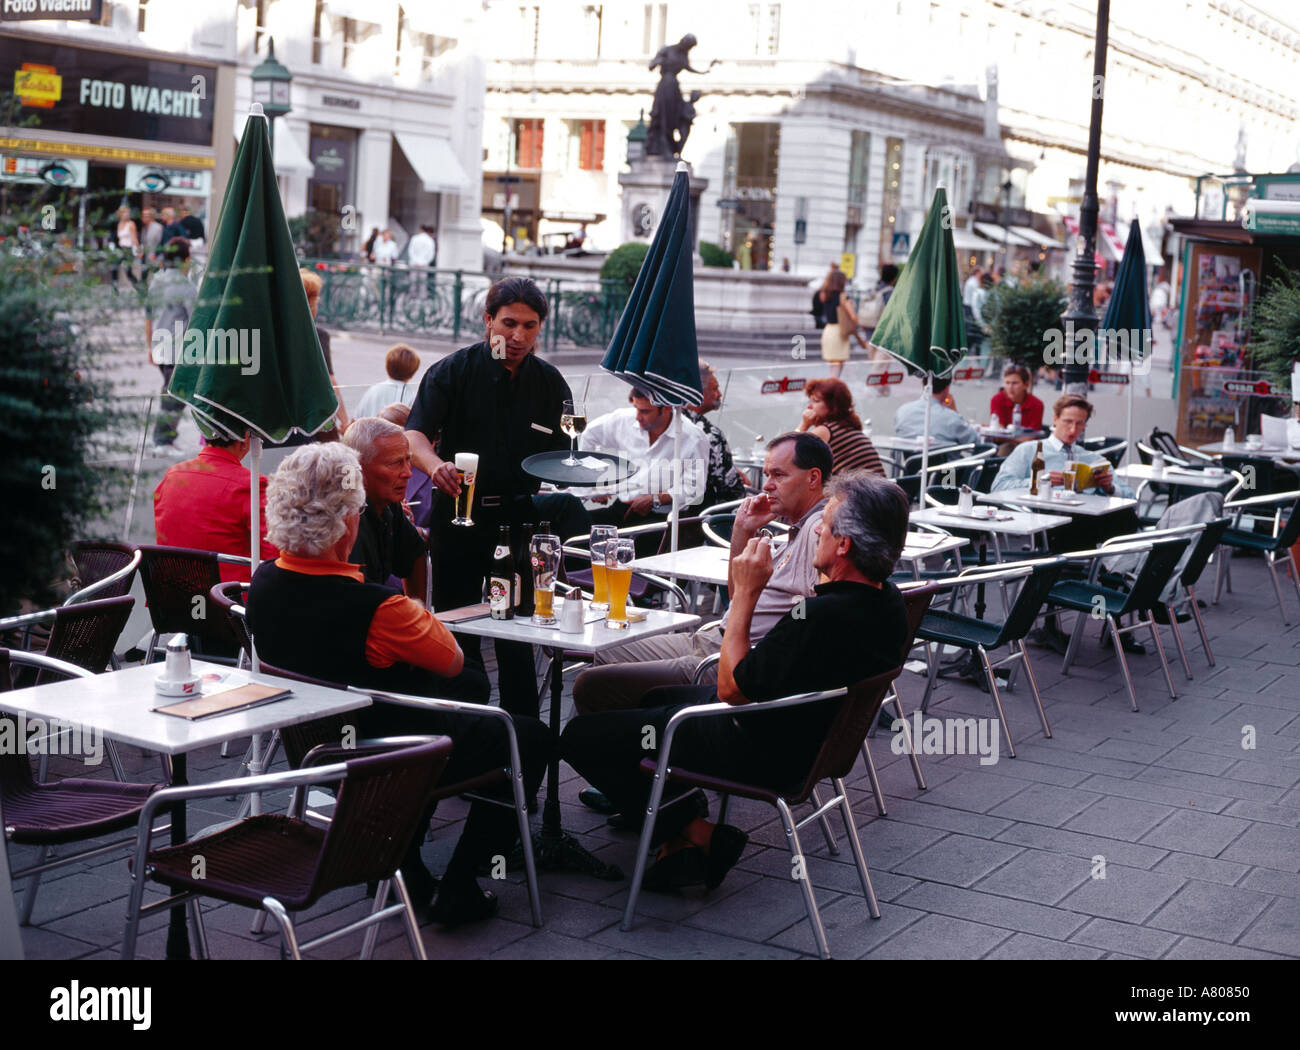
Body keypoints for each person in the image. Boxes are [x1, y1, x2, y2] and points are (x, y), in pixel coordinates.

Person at [561, 470, 909, 892]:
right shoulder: (888, 602)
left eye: (827, 523)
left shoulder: (816, 616)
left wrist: (746, 592)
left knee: (579, 736)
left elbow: (730, 690)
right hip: (810, 741)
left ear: (844, 545)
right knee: (655, 696)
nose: (817, 527)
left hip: (758, 747)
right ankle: (679, 831)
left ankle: (700, 832)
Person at [246, 443, 551, 924]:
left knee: (455, 696)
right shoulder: (379, 608)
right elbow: (452, 660)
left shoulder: (261, 583)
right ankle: (460, 884)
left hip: (312, 751)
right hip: (390, 758)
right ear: (348, 521)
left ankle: (402, 868)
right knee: (527, 736)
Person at [405, 276, 572, 719]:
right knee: (459, 627)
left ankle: (522, 733)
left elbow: (565, 450)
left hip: (519, 518)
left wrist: (576, 466)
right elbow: (414, 434)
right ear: (488, 321)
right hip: (459, 515)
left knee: (517, 628)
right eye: (509, 324)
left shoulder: (551, 383)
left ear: (540, 328)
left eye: (530, 326)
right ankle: (464, 725)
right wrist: (432, 465)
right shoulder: (451, 372)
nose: (518, 337)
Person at [573, 432, 831, 715]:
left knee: (593, 684)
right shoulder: (799, 528)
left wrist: (755, 658)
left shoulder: (820, 529)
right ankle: (633, 738)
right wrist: (742, 530)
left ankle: (637, 743)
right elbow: (737, 599)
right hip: (711, 637)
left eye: (778, 475)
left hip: (725, 659)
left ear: (813, 478)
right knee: (603, 653)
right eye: (767, 474)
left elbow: (821, 615)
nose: (766, 485)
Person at [581, 387, 711, 538]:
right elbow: (588, 435)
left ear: (668, 408)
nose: (637, 417)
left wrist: (654, 499)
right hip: (623, 509)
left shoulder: (694, 438)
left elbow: (694, 489)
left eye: (645, 411)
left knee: (612, 547)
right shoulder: (623, 420)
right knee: (569, 518)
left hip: (663, 521)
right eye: (636, 408)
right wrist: (593, 480)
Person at [153, 429, 277, 583]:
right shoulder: (251, 485)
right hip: (231, 599)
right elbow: (273, 556)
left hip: (174, 596)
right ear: (246, 437)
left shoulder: (172, 475)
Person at [342, 417, 428, 597]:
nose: (408, 473)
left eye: (407, 460)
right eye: (395, 463)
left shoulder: (388, 502)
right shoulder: (346, 517)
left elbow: (415, 553)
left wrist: (418, 612)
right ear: (358, 467)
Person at [144, 236, 197, 448]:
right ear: (185, 259)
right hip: (176, 351)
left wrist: (149, 347)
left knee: (172, 393)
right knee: (174, 395)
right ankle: (162, 441)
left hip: (159, 347)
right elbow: (197, 321)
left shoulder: (156, 281)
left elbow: (148, 316)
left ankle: (165, 439)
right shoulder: (186, 287)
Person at [684, 361, 746, 509]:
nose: (719, 394)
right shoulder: (710, 434)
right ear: (697, 392)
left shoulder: (666, 422)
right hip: (702, 517)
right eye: (715, 388)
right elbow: (730, 488)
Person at [798, 377, 884, 476]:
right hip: (879, 489)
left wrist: (804, 425)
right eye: (810, 401)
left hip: (859, 491)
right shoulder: (851, 427)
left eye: (816, 401)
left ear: (833, 406)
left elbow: (788, 455)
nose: (809, 406)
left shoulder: (825, 431)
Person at [299, 269, 349, 438]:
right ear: (311, 304)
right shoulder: (318, 335)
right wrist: (345, 420)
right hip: (313, 418)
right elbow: (330, 381)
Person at [894, 376, 978, 446]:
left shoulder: (901, 412)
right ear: (947, 388)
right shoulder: (952, 418)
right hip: (946, 465)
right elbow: (975, 441)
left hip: (910, 464)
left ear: (923, 384)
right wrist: (955, 411)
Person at [354, 343, 422, 419]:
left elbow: (356, 418)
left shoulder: (373, 390)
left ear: (386, 367)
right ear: (413, 373)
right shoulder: (412, 397)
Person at [817, 269, 857, 378]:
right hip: (839, 332)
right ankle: (831, 390)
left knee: (833, 366)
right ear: (841, 282)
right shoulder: (843, 297)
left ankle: (831, 389)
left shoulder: (824, 295)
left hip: (828, 330)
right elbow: (853, 317)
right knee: (837, 368)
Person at [989, 362, 1045, 436]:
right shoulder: (997, 399)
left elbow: (1034, 435)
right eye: (1007, 383)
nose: (1010, 387)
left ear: (1026, 385)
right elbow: (998, 432)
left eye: (1015, 383)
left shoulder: (1036, 404)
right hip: (1003, 444)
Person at [111, 206, 140, 292]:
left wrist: (138, 250)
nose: (126, 215)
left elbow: (135, 238)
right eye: (124, 213)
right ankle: (115, 290)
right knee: (114, 268)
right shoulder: (119, 224)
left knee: (128, 271)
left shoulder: (131, 224)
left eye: (128, 213)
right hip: (120, 249)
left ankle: (139, 287)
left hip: (128, 250)